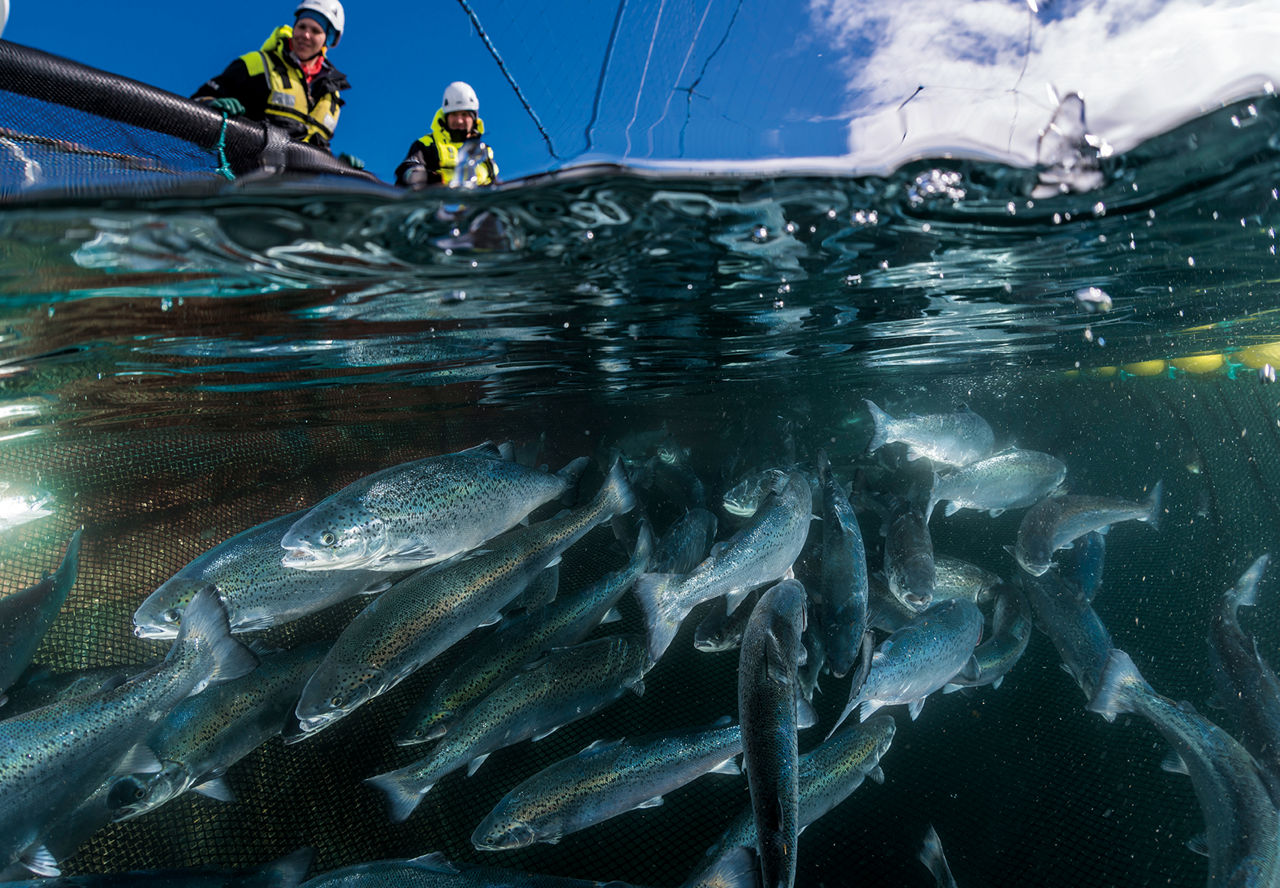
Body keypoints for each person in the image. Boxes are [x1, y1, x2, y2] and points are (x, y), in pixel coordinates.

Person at [192, 0, 362, 168]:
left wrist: (339, 165)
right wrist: (211, 104)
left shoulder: (331, 94)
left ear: (328, 39)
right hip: (249, 178)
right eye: (302, 26)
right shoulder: (256, 65)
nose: (306, 35)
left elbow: (318, 146)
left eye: (315, 31)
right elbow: (197, 102)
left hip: (302, 189)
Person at [394, 82, 499, 189]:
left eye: (464, 114)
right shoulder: (426, 144)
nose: (459, 120)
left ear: (473, 118)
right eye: (454, 114)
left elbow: (495, 182)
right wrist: (424, 178)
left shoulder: (484, 150)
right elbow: (407, 170)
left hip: (480, 202)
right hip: (437, 201)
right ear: (446, 117)